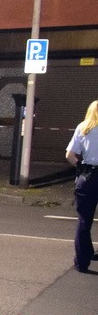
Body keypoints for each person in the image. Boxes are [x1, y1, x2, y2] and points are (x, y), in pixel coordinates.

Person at [65, 99, 98, 273]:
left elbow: (70, 155)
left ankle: (82, 261)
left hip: (88, 177)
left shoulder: (83, 127)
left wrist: (81, 168)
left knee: (84, 221)